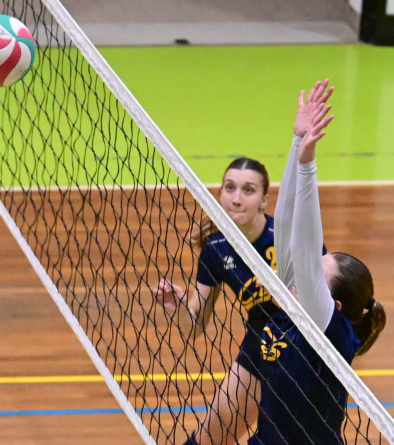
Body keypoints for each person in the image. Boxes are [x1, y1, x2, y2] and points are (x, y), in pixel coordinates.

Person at [154, 81, 330, 445]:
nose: (236, 198)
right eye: (230, 188)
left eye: (248, 190)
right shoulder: (216, 250)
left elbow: (329, 299)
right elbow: (194, 327)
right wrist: (178, 304)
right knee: (206, 439)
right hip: (261, 344)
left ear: (265, 200)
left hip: (306, 351)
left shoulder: (289, 237)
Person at [247, 79, 386, 444]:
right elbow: (287, 227)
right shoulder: (293, 313)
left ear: (334, 306)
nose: (297, 280)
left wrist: (309, 166)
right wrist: (297, 143)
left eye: (314, 280)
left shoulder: (333, 335)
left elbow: (306, 250)